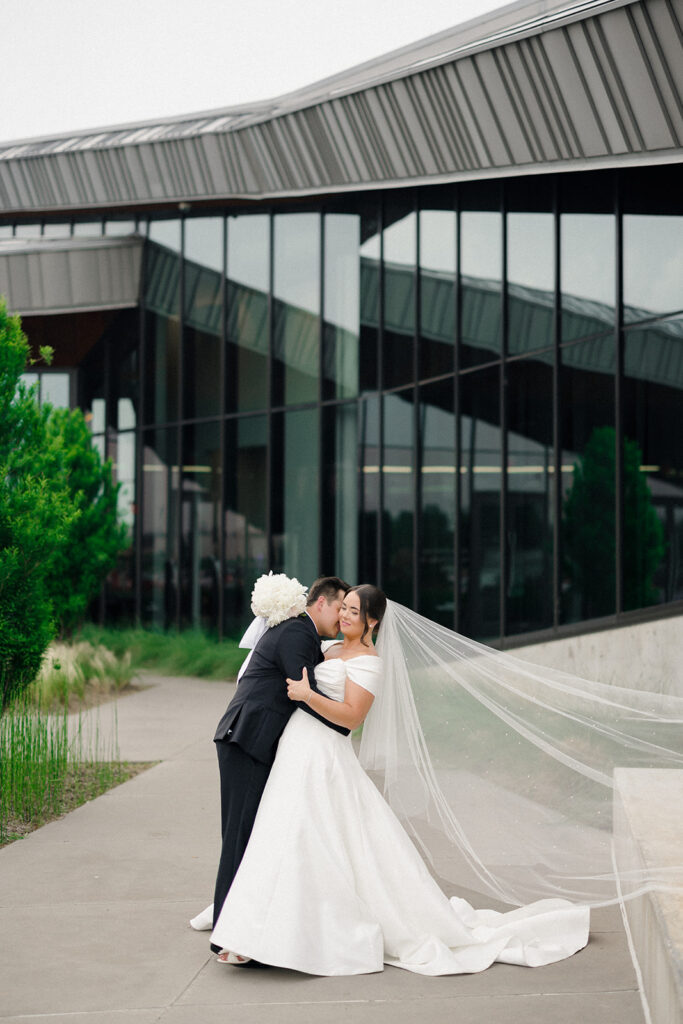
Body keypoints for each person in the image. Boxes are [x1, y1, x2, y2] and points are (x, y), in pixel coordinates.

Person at [203, 584, 591, 975]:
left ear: (372, 621)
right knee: (278, 836)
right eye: (344, 608)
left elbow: (352, 718)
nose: (345, 616)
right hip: (293, 750)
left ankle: (289, 934)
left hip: (322, 755)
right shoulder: (327, 649)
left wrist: (306, 695)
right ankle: (255, 929)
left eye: (354, 611)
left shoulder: (370, 662)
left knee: (307, 837)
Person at [207, 574, 348, 954]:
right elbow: (303, 692)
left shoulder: (300, 633)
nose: (341, 617)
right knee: (239, 838)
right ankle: (226, 935)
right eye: (339, 607)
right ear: (320, 603)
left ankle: (240, 926)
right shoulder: (298, 633)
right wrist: (345, 721)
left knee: (249, 837)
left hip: (247, 739)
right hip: (247, 740)